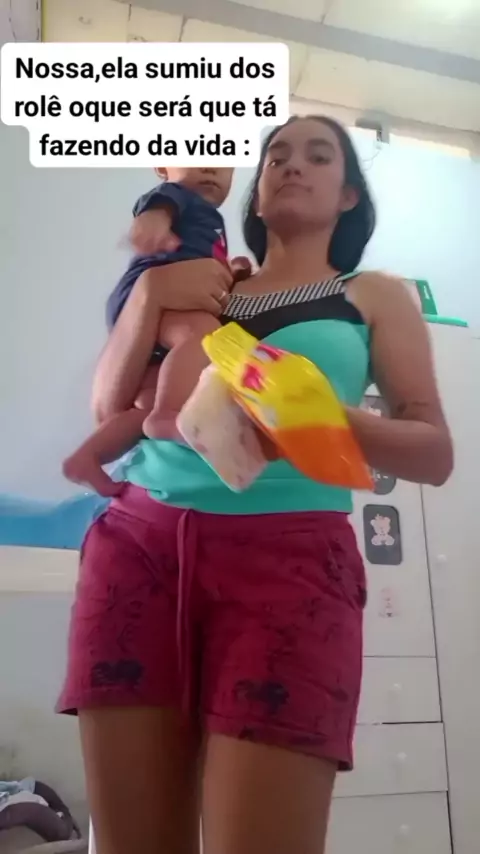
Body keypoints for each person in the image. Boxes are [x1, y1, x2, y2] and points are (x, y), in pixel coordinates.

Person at [57, 115, 453, 854]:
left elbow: (434, 453)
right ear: (256, 192)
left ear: (349, 196)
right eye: (276, 156)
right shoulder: (207, 284)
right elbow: (110, 412)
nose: (292, 164)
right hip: (137, 547)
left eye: (319, 155)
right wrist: (150, 295)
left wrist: (316, 415)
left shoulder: (372, 294)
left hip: (288, 564)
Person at [62, 166, 246, 497]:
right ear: (162, 165)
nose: (211, 165)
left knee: (146, 401)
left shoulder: (208, 219)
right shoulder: (179, 196)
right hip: (151, 295)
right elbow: (159, 205)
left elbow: (206, 265)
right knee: (206, 334)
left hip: (167, 310)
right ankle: (167, 415)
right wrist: (154, 221)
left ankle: (88, 457)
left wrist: (232, 271)